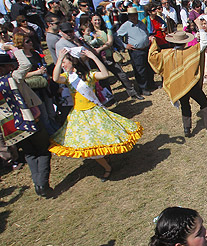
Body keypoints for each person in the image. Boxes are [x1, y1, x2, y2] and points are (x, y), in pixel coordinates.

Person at [50, 48, 143, 181]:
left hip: (94, 112)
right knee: (87, 144)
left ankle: (105, 161)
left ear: (73, 62)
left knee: (100, 138)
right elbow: (55, 78)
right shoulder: (67, 78)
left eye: (65, 62)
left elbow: (104, 74)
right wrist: (59, 60)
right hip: (79, 116)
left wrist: (93, 57)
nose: (63, 65)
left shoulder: (88, 75)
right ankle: (107, 167)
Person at [148, 20, 207, 138]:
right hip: (191, 84)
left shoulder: (166, 54)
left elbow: (152, 56)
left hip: (178, 85)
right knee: (204, 104)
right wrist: (201, 29)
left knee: (185, 106)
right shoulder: (190, 51)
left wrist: (153, 41)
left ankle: (187, 129)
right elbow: (204, 43)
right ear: (185, 42)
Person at [0, 53, 52, 197]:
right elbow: (25, 64)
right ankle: (42, 183)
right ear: (4, 68)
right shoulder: (13, 78)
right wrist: (13, 48)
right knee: (43, 150)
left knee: (30, 154)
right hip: (28, 120)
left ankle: (37, 183)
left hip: (12, 128)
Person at [83, 14, 143, 100]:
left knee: (122, 75)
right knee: (104, 81)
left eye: (99, 20)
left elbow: (110, 42)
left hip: (109, 57)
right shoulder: (89, 33)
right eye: (95, 20)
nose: (97, 22)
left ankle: (133, 93)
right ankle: (109, 98)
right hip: (98, 60)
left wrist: (99, 49)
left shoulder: (107, 30)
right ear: (91, 21)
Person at [116, 7, 156, 96]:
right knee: (140, 69)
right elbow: (117, 36)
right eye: (131, 15)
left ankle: (150, 84)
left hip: (146, 48)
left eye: (135, 15)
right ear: (128, 16)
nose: (133, 17)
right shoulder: (126, 26)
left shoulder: (141, 23)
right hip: (136, 51)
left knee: (148, 67)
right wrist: (125, 45)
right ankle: (143, 88)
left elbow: (146, 33)